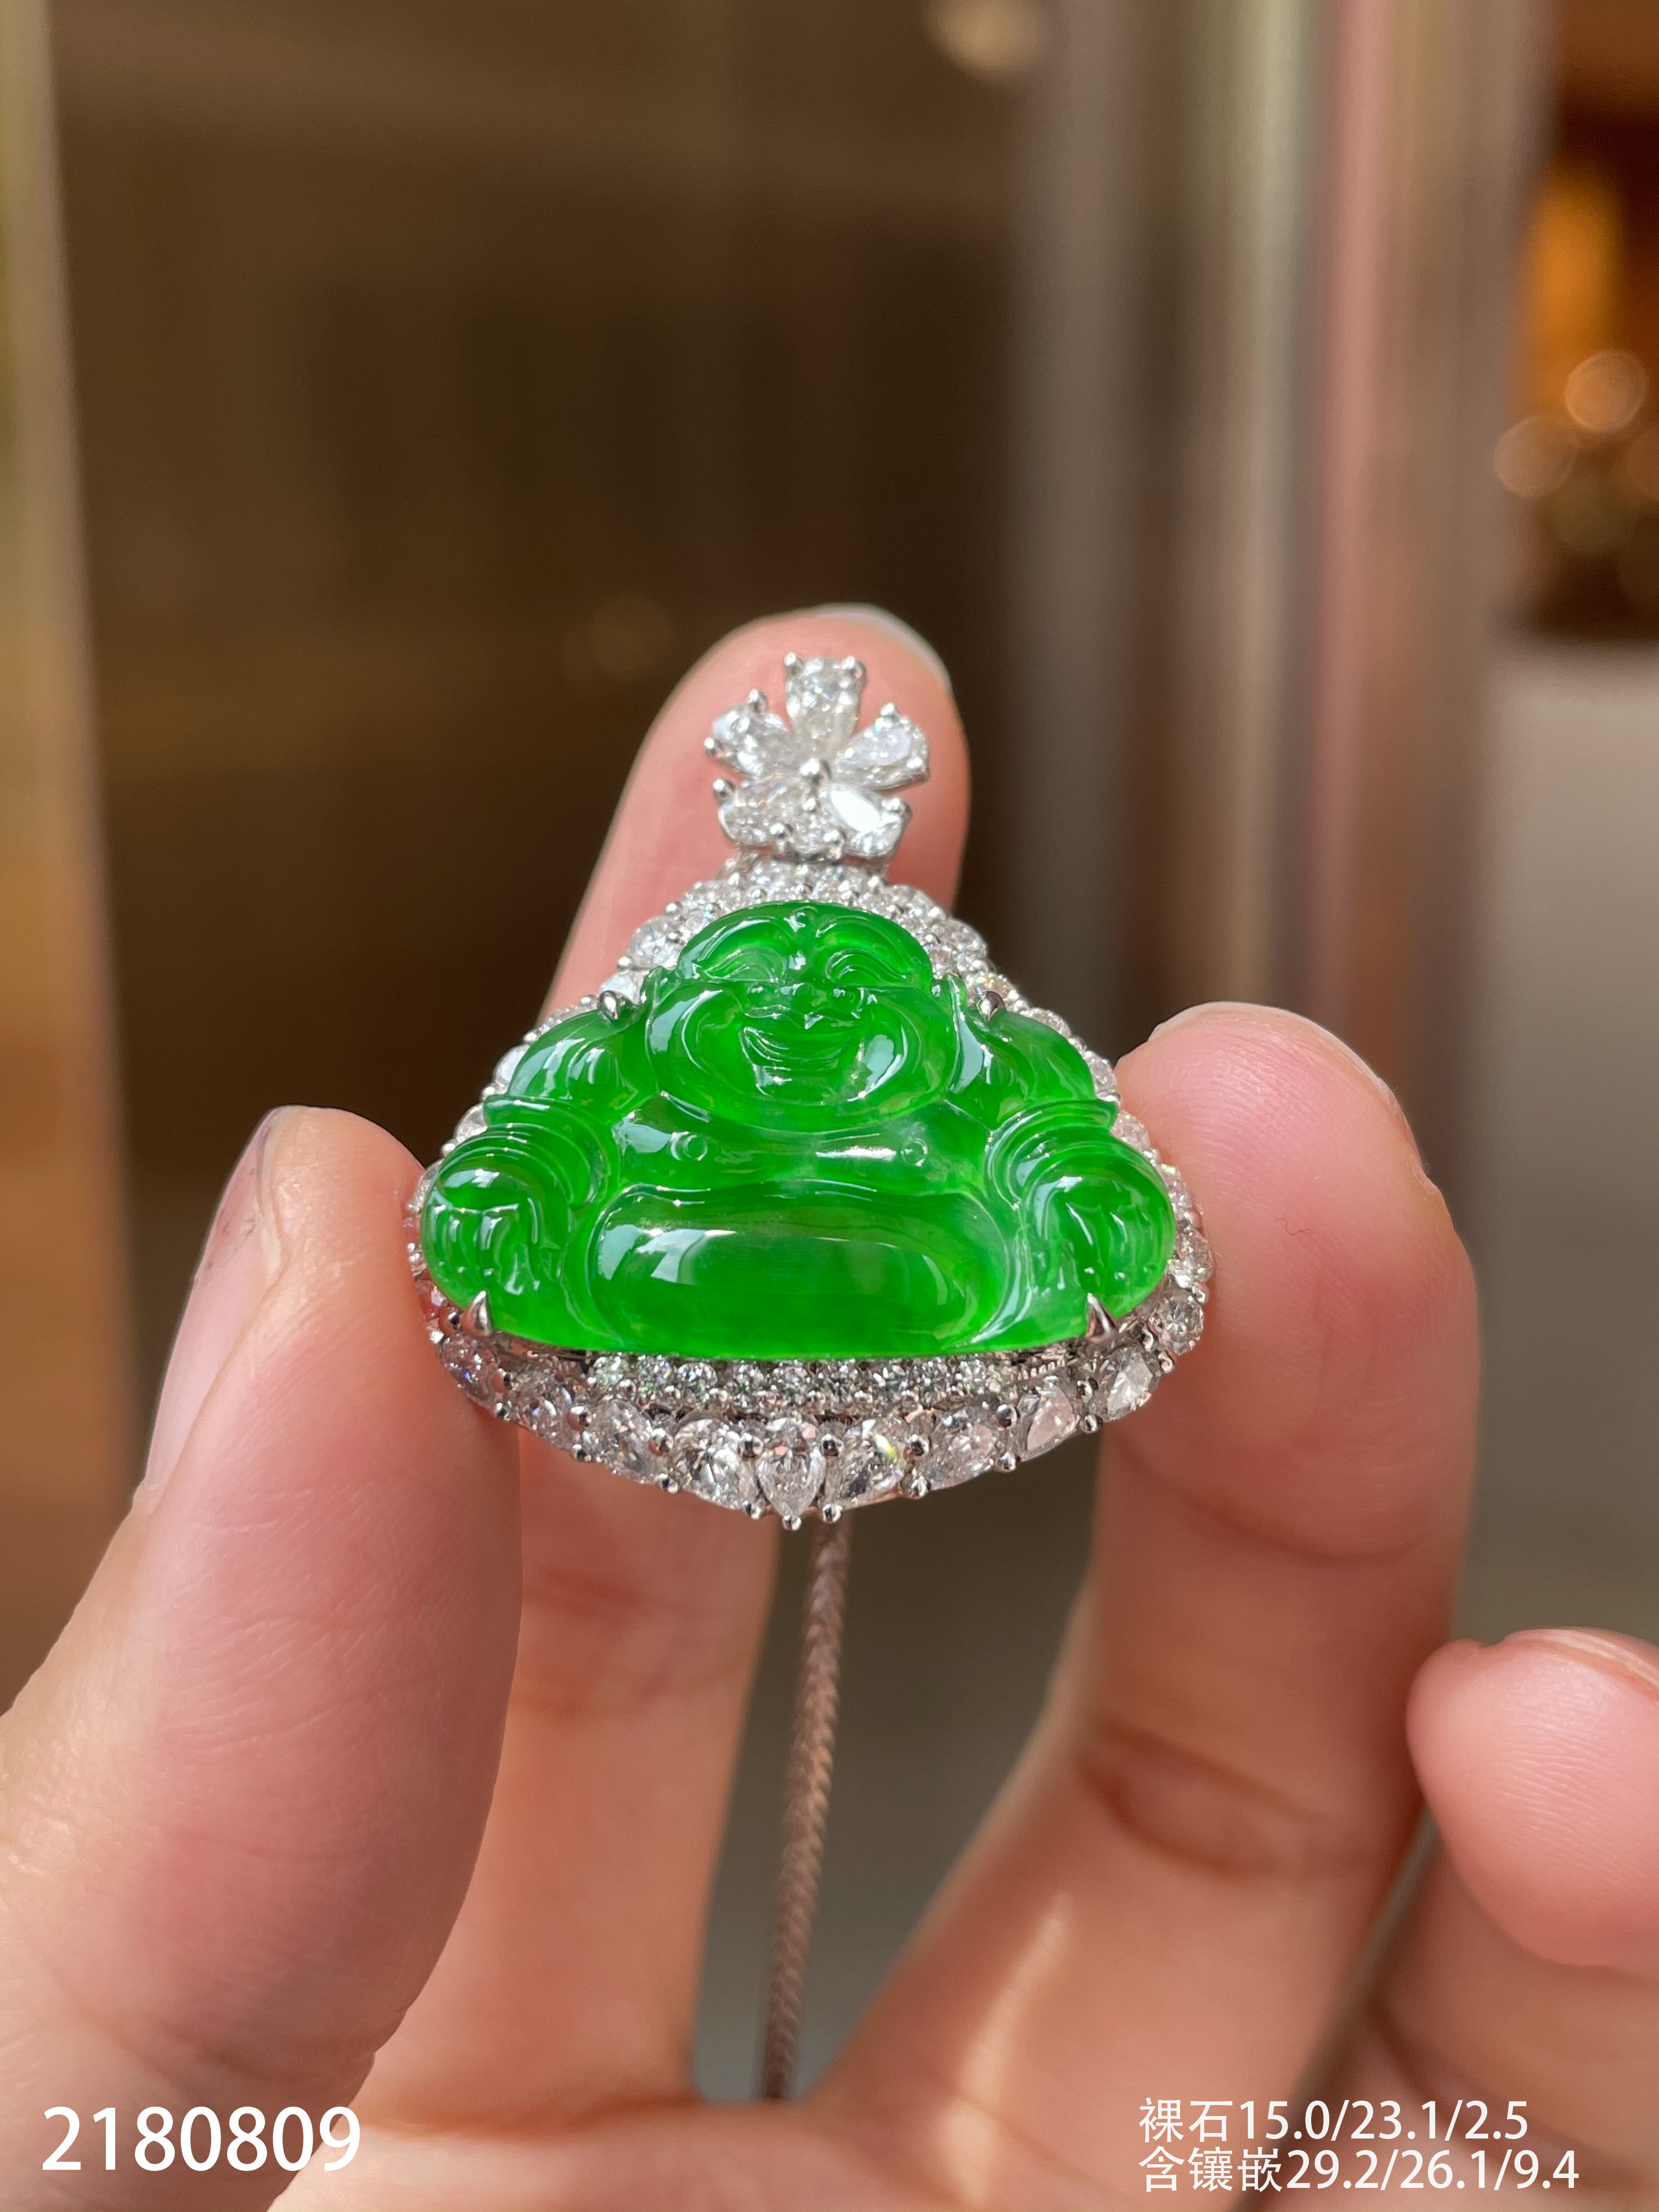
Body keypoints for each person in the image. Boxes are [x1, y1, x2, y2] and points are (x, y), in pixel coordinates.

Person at [3, 612, 1653, 2207]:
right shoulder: (623, 1095)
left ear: (922, 1024)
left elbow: (1077, 1172)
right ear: (679, 1021)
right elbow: (513, 1176)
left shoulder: (970, 1104)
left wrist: (1060, 1214)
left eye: (844, 1002)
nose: (796, 1019)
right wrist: (543, 1213)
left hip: (903, 1267)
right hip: (683, 1262)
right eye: (754, 1000)